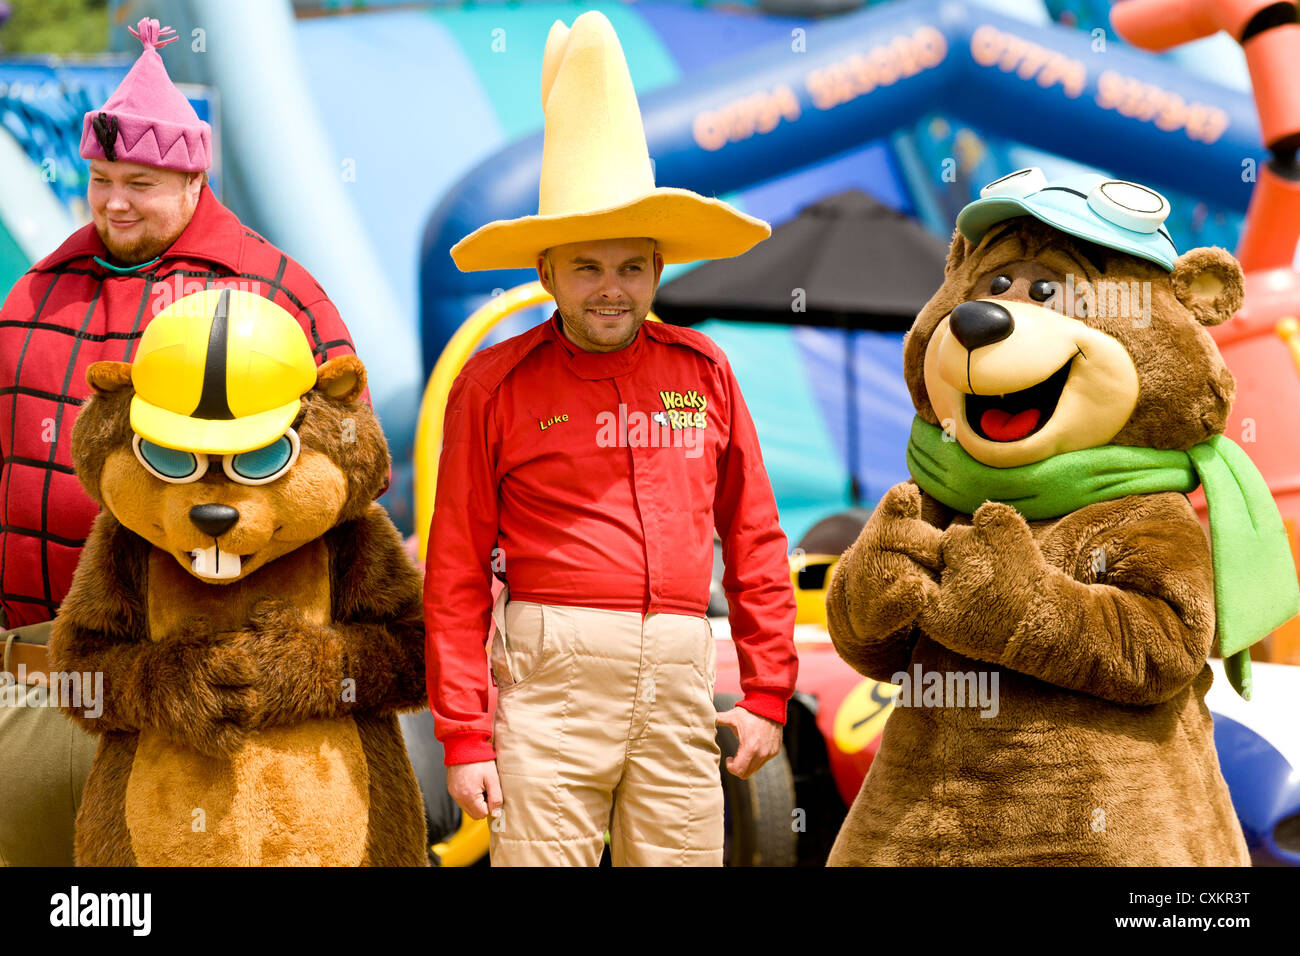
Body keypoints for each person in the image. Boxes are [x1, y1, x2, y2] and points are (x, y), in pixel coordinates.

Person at [425, 11, 798, 867]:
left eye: (631, 266)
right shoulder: (493, 384)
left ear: (658, 270)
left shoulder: (705, 371)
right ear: (547, 270)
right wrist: (465, 735)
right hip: (546, 690)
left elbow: (755, 539)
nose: (610, 289)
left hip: (679, 681)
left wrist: (771, 690)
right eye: (587, 267)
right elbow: (452, 573)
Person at [0, 18, 362, 866]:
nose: (115, 201)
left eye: (140, 182)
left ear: (194, 178)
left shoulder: (278, 296)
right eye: (100, 179)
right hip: (33, 685)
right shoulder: (32, 299)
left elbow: (343, 483)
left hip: (195, 709)